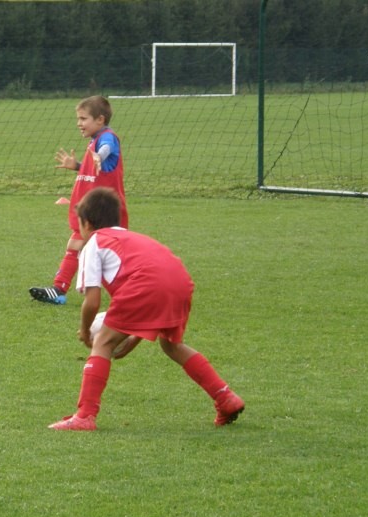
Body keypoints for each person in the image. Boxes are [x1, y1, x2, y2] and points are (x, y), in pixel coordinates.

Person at [49, 187, 244, 431]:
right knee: (171, 344)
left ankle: (85, 415)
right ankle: (225, 398)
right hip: (180, 282)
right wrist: (132, 339)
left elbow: (93, 301)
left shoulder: (94, 243)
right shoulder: (135, 239)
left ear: (86, 224)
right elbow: (149, 299)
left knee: (103, 342)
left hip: (147, 285)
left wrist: (86, 332)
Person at [30, 95, 128, 305]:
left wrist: (99, 156)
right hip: (92, 209)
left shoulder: (107, 137)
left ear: (100, 120)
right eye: (78, 119)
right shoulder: (94, 141)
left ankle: (131, 290)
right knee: (78, 245)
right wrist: (77, 166)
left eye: (83, 119)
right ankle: (58, 289)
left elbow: (106, 149)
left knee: (112, 252)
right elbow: (95, 170)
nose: (79, 123)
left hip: (105, 209)